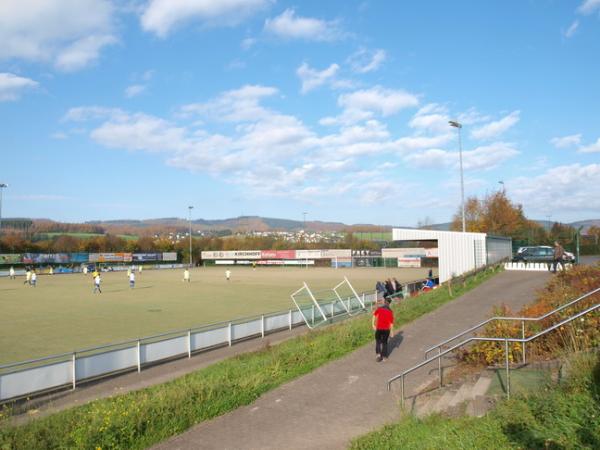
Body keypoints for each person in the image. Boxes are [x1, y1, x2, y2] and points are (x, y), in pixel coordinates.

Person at [372, 297, 394, 362]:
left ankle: (378, 355)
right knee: (385, 342)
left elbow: (374, 315)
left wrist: (373, 324)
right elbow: (391, 323)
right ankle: (384, 357)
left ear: (384, 302)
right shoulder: (390, 311)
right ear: (389, 303)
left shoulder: (380, 309)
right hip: (386, 329)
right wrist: (392, 332)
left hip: (379, 328)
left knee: (378, 341)